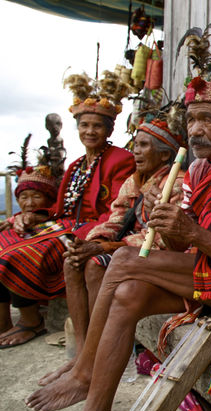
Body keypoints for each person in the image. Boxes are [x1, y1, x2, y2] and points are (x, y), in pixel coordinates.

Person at [26, 25, 211, 411]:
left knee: (125, 262)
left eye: (208, 119)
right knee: (128, 294)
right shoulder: (197, 170)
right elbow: (185, 248)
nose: (195, 129)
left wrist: (190, 231)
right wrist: (167, 225)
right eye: (192, 119)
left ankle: (83, 373)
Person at [37, 114, 187, 386]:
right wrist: (93, 240)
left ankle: (97, 356)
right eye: (135, 145)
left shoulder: (175, 183)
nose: (136, 152)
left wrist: (104, 246)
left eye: (143, 145)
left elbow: (160, 239)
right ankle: (83, 351)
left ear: (165, 155)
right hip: (129, 248)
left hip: (158, 254)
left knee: (96, 264)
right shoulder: (136, 180)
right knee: (73, 260)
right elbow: (115, 216)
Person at [0, 71, 134, 349]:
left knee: (20, 254)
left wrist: (83, 233)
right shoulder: (76, 165)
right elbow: (60, 208)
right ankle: (3, 321)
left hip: (91, 230)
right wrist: (27, 216)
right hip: (64, 224)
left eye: (97, 126)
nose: (90, 131)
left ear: (109, 130)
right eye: (84, 125)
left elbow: (119, 210)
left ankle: (31, 321)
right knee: (5, 238)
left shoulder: (121, 160)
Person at [0, 145, 59, 347]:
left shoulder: (52, 219)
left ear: (48, 199)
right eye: (24, 197)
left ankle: (31, 320)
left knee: (14, 254)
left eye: (36, 196)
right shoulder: (18, 219)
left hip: (49, 251)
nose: (30, 202)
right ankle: (3, 321)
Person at [43, 112, 67, 180]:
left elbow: (61, 154)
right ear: (47, 126)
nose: (54, 127)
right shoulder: (49, 141)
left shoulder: (60, 140)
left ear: (61, 125)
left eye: (57, 124)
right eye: (51, 125)